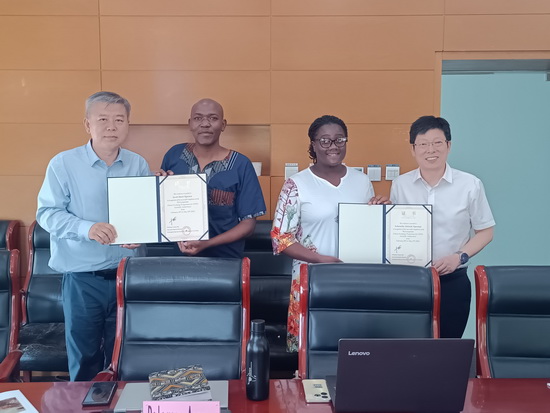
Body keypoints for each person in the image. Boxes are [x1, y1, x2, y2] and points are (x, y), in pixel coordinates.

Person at [36, 91, 150, 381]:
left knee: (124, 358)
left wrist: (143, 232)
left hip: (127, 277)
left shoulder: (138, 164)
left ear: (128, 124)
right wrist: (86, 228)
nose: (111, 126)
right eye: (103, 119)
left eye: (119, 120)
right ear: (87, 124)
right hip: (83, 279)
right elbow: (47, 214)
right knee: (85, 358)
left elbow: (144, 211)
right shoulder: (63, 164)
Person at [271, 115, 387, 352]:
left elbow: (368, 228)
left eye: (339, 140)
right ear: (313, 144)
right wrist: (320, 259)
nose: (333, 146)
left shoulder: (361, 181)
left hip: (354, 276)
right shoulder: (296, 184)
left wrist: (384, 211)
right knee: (311, 347)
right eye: (325, 140)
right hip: (312, 277)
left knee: (353, 346)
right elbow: (280, 238)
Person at [390, 115, 495, 338]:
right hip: (409, 280)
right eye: (423, 144)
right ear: (413, 149)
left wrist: (459, 257)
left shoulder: (470, 184)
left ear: (448, 145)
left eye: (437, 142)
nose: (431, 150)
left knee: (447, 346)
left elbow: (486, 231)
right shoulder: (400, 185)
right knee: (409, 346)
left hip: (453, 279)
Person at [161, 98, 266, 258]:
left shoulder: (241, 164)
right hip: (180, 260)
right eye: (198, 118)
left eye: (213, 118)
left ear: (223, 125)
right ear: (190, 123)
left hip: (226, 261)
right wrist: (158, 184)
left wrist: (207, 243)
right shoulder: (174, 155)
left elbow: (248, 225)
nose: (205, 124)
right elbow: (161, 207)